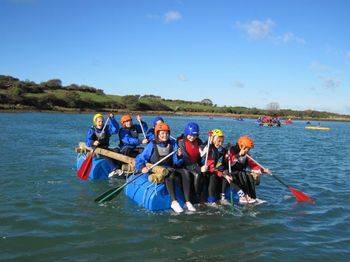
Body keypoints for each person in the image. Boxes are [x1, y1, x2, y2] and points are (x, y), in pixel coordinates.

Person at [135, 123, 184, 213]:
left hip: (169, 169)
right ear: (157, 134)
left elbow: (176, 162)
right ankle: (174, 201)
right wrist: (142, 167)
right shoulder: (152, 145)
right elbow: (140, 159)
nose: (165, 135)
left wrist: (179, 156)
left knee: (175, 174)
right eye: (162, 133)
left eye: (166, 133)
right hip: (155, 170)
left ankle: (186, 200)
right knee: (170, 175)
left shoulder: (173, 144)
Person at [222, 136, 271, 204]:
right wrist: (239, 155)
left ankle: (252, 196)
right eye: (246, 149)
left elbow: (254, 166)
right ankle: (242, 196)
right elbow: (228, 161)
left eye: (248, 149)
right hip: (229, 171)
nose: (247, 151)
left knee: (248, 176)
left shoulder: (247, 155)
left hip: (239, 171)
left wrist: (263, 170)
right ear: (241, 146)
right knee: (240, 174)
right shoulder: (231, 150)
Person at [176, 122, 204, 212]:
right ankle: (190, 200)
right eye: (190, 135)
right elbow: (185, 158)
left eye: (194, 136)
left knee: (199, 175)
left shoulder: (199, 142)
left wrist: (203, 150)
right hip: (184, 165)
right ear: (186, 133)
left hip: (194, 165)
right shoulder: (181, 142)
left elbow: (202, 152)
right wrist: (197, 168)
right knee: (193, 174)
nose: (192, 137)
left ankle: (197, 196)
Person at [200, 129, 227, 206]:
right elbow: (203, 151)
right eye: (218, 141)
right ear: (213, 139)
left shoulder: (215, 149)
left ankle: (222, 196)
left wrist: (225, 151)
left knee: (223, 171)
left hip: (210, 169)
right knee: (213, 176)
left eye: (222, 142)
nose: (220, 143)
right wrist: (222, 174)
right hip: (204, 170)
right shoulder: (208, 147)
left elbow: (217, 156)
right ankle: (211, 199)